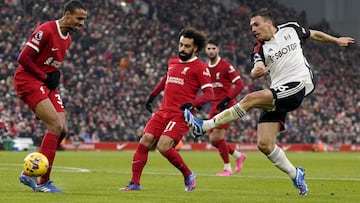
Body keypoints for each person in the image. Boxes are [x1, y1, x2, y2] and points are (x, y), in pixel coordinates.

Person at [184, 8, 355, 195]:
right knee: (264, 144)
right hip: (279, 91)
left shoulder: (291, 29)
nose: (253, 29)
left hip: (300, 83)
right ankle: (295, 173)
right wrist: (256, 71)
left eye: (256, 25)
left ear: (268, 22)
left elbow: (314, 34)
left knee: (251, 98)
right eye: (251, 27)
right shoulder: (259, 48)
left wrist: (336, 40)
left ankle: (204, 126)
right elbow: (256, 65)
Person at [120, 27, 213, 191]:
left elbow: (209, 94)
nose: (182, 49)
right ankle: (135, 183)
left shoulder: (200, 67)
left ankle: (188, 174)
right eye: (181, 45)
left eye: (187, 46)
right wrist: (152, 95)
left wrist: (193, 104)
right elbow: (166, 78)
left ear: (195, 48)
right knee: (145, 141)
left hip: (180, 114)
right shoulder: (172, 61)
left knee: (163, 146)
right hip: (163, 111)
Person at [15, 0, 87, 193]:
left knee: (62, 130)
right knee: (54, 125)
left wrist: (54, 76)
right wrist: (45, 76)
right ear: (68, 15)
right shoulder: (46, 30)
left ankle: (32, 174)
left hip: (46, 84)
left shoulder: (68, 39)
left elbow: (50, 64)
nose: (81, 23)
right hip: (28, 80)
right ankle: (42, 181)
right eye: (79, 18)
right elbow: (23, 58)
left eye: (83, 20)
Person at [205, 38, 247, 176]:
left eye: (213, 48)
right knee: (213, 140)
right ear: (205, 50)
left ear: (218, 49)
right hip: (214, 106)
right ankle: (238, 155)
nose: (211, 51)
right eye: (209, 48)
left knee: (218, 137)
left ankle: (227, 169)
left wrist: (228, 99)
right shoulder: (205, 68)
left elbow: (240, 84)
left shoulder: (225, 66)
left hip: (226, 106)